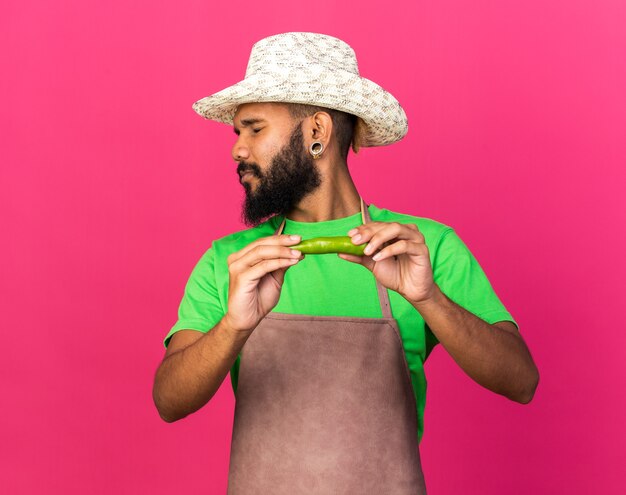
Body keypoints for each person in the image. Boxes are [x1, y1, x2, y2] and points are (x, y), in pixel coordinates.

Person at [152, 32, 539, 494]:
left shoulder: (421, 248)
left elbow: (521, 381)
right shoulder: (232, 263)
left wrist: (427, 297)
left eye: (254, 129)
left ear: (317, 131)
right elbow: (169, 401)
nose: (238, 149)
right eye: (237, 133)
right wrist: (234, 325)